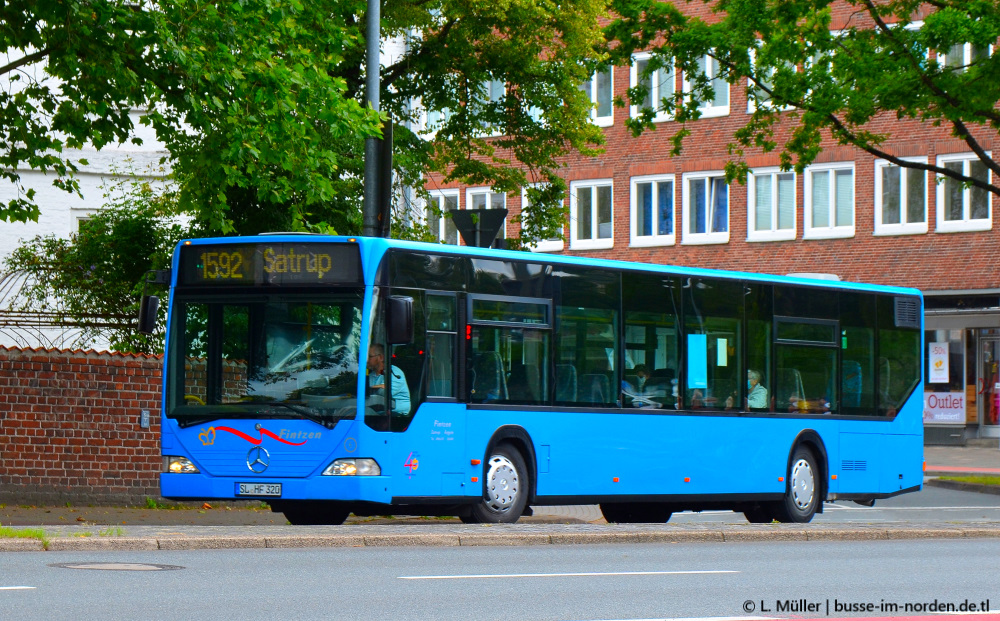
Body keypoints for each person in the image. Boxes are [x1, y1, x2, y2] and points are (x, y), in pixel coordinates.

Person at [367, 343, 411, 416]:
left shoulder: (394, 372)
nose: (367, 360)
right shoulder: (371, 375)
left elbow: (384, 391)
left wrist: (367, 390)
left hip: (398, 415)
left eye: (369, 356)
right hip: (379, 411)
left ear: (381, 357)